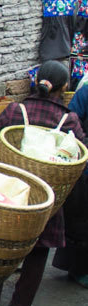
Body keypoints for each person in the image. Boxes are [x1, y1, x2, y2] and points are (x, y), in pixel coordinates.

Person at [0, 60, 86, 306]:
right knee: (39, 250)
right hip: (47, 198)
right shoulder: (69, 120)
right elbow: (79, 158)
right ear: (65, 87)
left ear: (36, 81)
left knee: (0, 247)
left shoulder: (15, 111)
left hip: (10, 194)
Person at [52, 81, 88, 287]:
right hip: (86, 163)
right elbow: (71, 125)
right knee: (82, 221)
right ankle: (78, 269)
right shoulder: (86, 92)